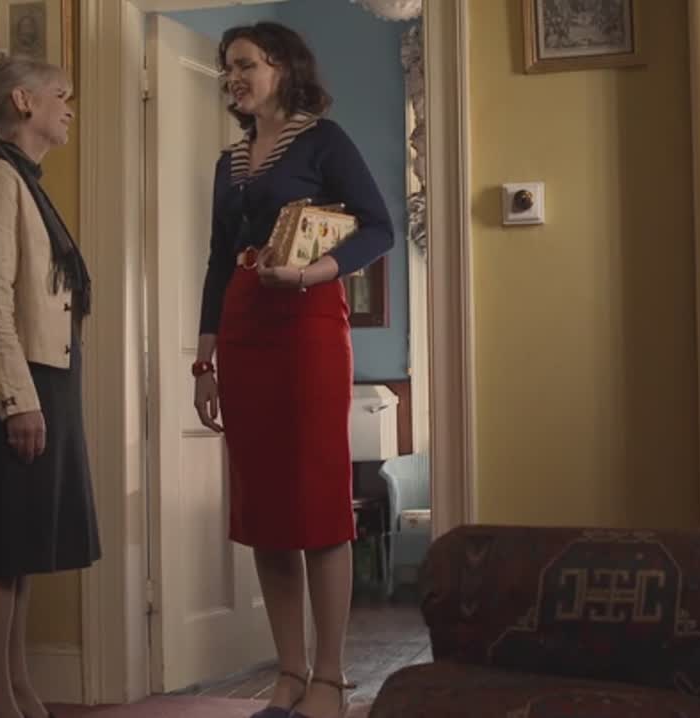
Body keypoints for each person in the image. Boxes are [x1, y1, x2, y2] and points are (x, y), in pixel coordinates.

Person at [193, 21, 394, 718]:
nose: (233, 78)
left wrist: (313, 272)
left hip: (308, 326)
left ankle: (330, 679)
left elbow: (378, 226)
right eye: (227, 68)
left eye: (244, 64)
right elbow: (217, 262)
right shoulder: (228, 162)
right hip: (243, 328)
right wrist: (204, 361)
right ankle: (289, 673)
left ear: (282, 67)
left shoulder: (324, 141)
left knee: (316, 500)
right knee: (264, 507)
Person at [0, 46, 99, 718]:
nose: (68, 108)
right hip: (19, 385)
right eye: (59, 95)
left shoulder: (26, 181)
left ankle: (16, 686)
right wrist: (16, 401)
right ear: (23, 102)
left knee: (24, 545)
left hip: (49, 379)